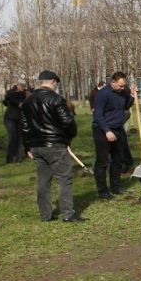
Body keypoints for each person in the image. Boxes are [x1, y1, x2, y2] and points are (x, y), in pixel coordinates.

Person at [21, 70, 82, 222]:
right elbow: (68, 122)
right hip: (55, 145)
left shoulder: (27, 101)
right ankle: (68, 214)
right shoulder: (56, 99)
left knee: (43, 181)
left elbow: (24, 126)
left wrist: (27, 147)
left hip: (36, 146)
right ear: (53, 81)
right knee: (64, 179)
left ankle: (45, 215)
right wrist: (69, 137)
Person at [91, 71, 137, 199]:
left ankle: (115, 186)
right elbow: (98, 115)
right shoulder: (102, 94)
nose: (122, 88)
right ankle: (103, 191)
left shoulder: (123, 93)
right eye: (120, 86)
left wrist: (132, 96)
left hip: (118, 128)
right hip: (102, 130)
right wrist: (107, 131)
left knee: (118, 160)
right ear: (112, 82)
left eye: (124, 86)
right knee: (102, 161)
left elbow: (126, 105)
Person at [3, 82, 28, 163]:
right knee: (13, 137)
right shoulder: (12, 93)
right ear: (17, 86)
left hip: (20, 119)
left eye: (24, 86)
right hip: (10, 118)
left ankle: (19, 157)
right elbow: (7, 99)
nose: (23, 87)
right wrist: (18, 103)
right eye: (21, 86)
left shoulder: (25, 94)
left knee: (20, 138)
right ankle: (10, 157)